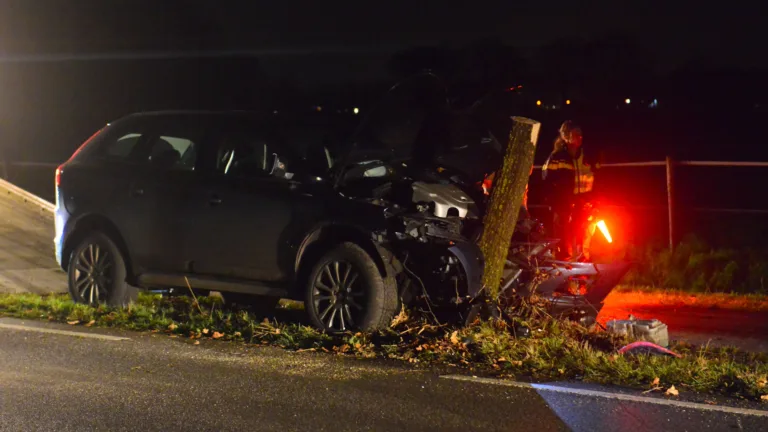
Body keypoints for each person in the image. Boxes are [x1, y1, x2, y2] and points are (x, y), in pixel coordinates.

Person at [541, 121, 599, 261]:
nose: (580, 136)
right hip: (563, 208)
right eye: (575, 133)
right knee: (563, 243)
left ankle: (582, 275)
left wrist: (594, 202)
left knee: (582, 243)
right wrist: (559, 203)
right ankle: (564, 274)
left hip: (584, 206)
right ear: (566, 136)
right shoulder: (556, 158)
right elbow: (547, 183)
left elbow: (599, 181)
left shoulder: (587, 157)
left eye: (581, 133)